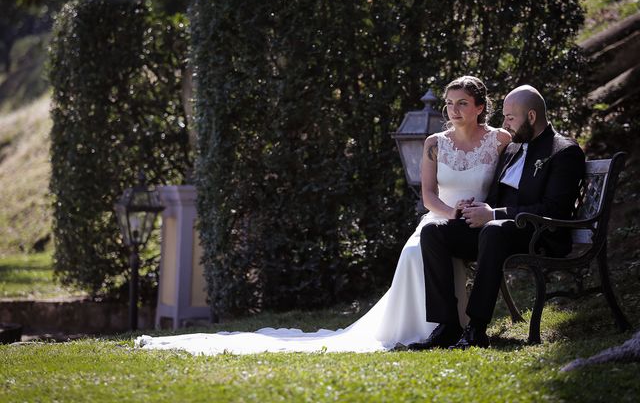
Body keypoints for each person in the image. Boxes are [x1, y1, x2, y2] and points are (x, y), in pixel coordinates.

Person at [136, 76, 510, 355]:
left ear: (479, 106)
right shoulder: (433, 144)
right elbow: (429, 196)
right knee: (415, 252)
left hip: (482, 220)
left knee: (444, 246)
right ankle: (434, 327)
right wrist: (450, 212)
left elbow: (516, 183)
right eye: (449, 103)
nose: (453, 110)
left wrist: (487, 212)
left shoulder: (499, 140)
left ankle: (463, 326)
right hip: (442, 217)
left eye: (462, 103)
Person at [410, 84, 585, 351]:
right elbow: (496, 196)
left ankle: (477, 328)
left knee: (492, 230)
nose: (504, 124)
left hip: (539, 235)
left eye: (510, 118)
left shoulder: (563, 151)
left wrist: (493, 214)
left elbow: (555, 209)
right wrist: (474, 208)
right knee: (434, 232)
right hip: (499, 234)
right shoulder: (513, 149)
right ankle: (447, 326)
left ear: (531, 117)